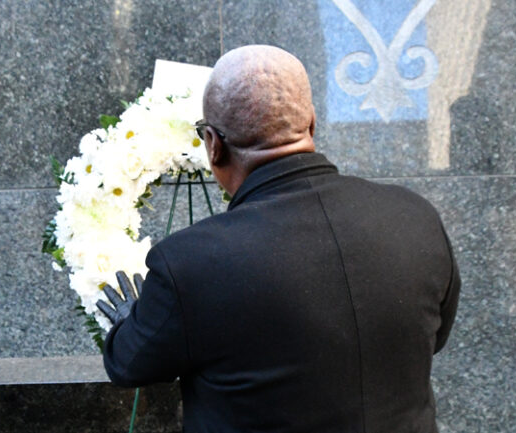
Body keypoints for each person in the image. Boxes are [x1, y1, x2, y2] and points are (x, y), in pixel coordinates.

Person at [98, 45, 460, 433]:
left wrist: (132, 321)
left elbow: (129, 364)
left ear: (213, 145)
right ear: (311, 124)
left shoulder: (188, 263)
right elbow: (432, 338)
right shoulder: (416, 216)